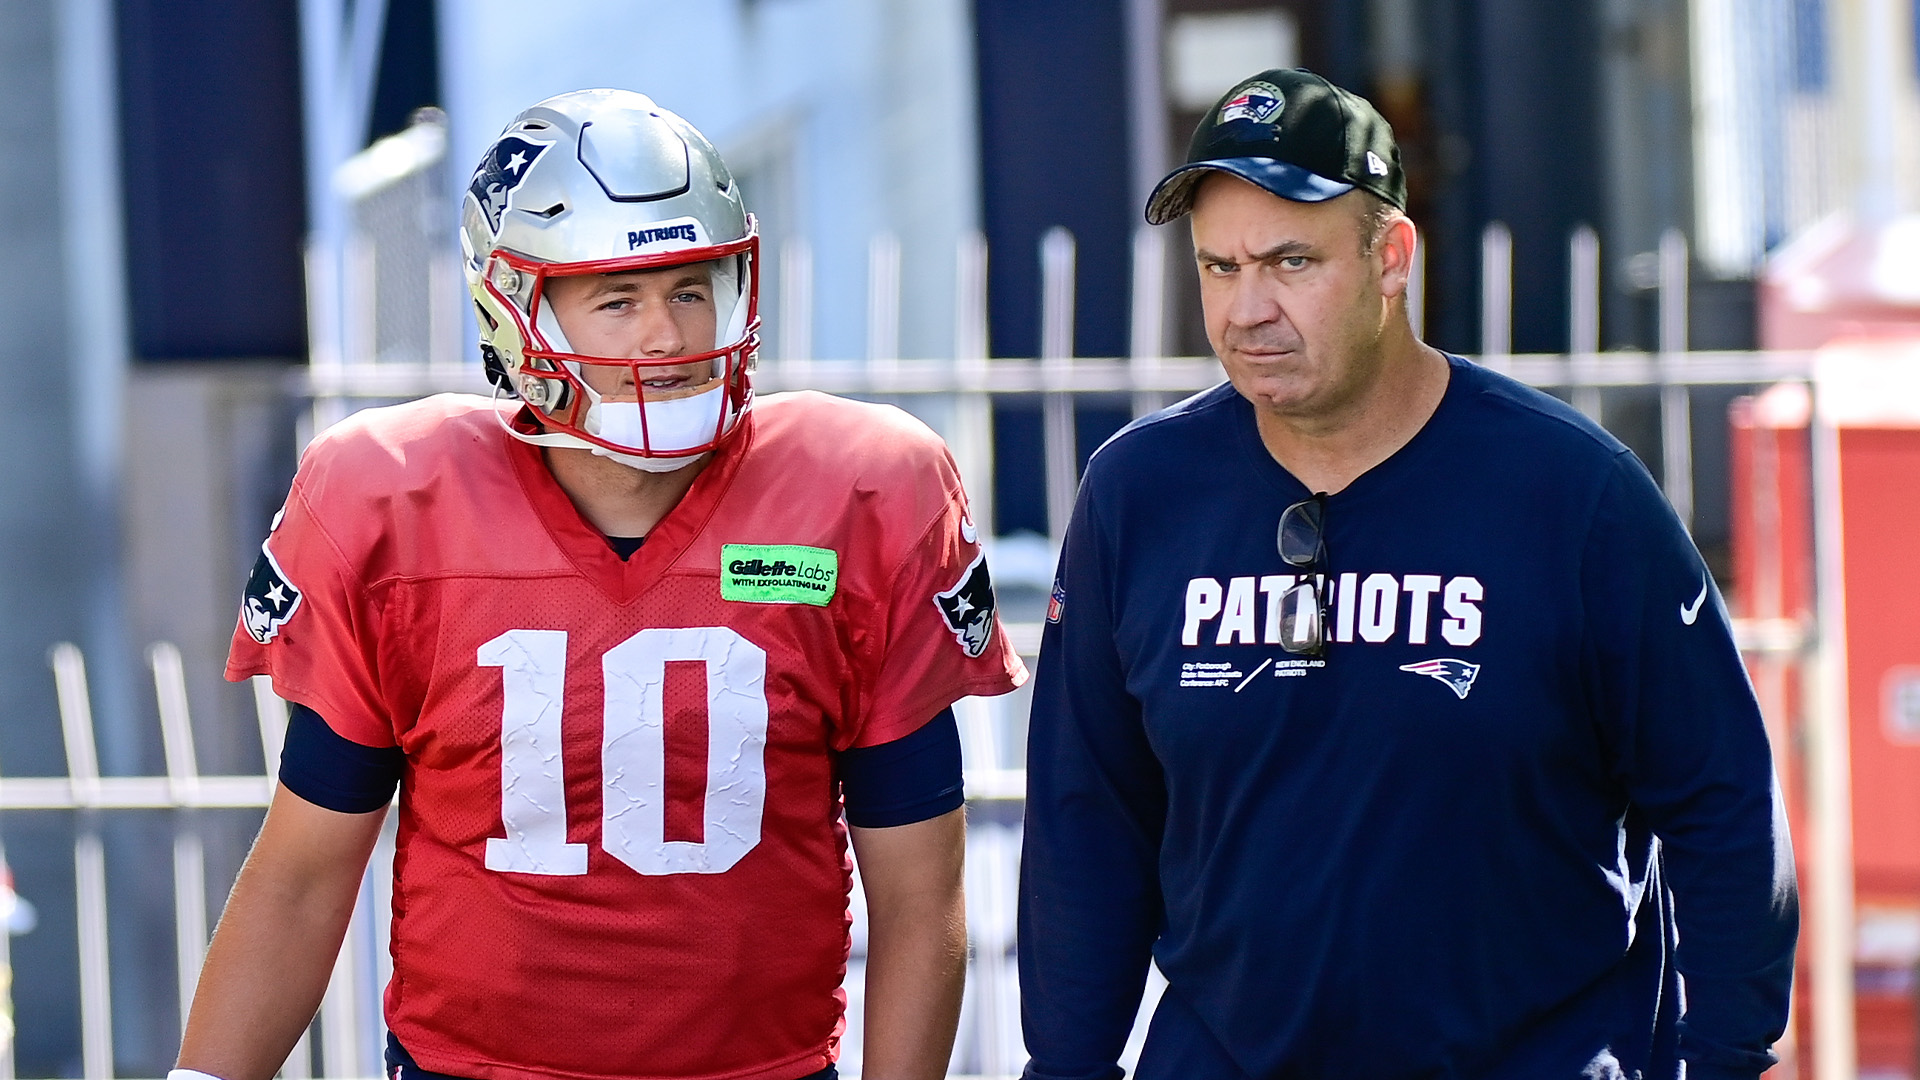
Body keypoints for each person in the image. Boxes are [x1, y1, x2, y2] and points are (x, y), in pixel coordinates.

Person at [174, 88, 1025, 1080]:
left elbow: (923, 895)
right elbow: (307, 873)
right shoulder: (390, 501)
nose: (664, 338)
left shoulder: (867, 493)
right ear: (514, 310)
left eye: (691, 288)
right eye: (617, 299)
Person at [1017, 68, 1796, 1080]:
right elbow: (1089, 823)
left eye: (1291, 261)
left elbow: (1722, 803)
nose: (1248, 309)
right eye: (1218, 268)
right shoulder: (1137, 496)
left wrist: (1725, 1060)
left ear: (1392, 257)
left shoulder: (1572, 493)